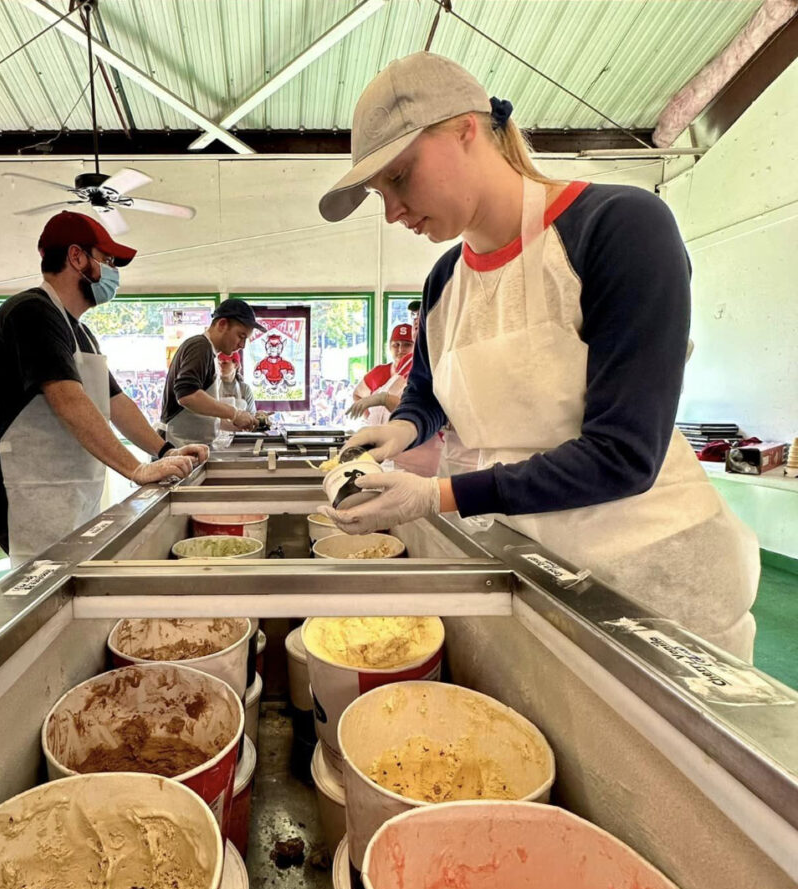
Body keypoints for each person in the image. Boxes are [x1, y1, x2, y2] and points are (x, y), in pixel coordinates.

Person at [316, 52, 758, 659]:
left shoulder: (619, 229)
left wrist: (438, 496)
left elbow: (624, 454)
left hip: (653, 588)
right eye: (378, 192)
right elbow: (427, 392)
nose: (390, 212)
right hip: (533, 565)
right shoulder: (446, 280)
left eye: (398, 177)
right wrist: (400, 428)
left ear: (464, 129)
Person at [0, 211, 208, 565]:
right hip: (31, 488)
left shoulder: (79, 331)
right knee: (47, 586)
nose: (113, 271)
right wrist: (135, 469)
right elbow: (67, 398)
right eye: (108, 260)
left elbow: (115, 402)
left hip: (68, 489)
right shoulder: (32, 313)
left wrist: (164, 452)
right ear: (77, 257)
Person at [159, 299, 263, 446]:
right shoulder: (200, 347)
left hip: (191, 445)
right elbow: (187, 395)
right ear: (222, 324)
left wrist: (241, 422)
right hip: (176, 445)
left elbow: (205, 414)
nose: (242, 345)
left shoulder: (211, 354)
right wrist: (235, 413)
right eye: (241, 336)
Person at [345, 323, 442, 476]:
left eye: (406, 344)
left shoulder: (425, 367)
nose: (400, 350)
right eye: (395, 345)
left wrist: (383, 399)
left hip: (420, 454)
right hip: (394, 453)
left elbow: (419, 407)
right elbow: (358, 394)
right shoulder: (393, 369)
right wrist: (369, 418)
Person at [217, 350, 257, 422]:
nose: (220, 366)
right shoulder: (213, 387)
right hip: (217, 431)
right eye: (218, 363)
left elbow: (252, 416)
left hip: (240, 432)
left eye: (224, 363)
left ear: (236, 365)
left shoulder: (245, 389)